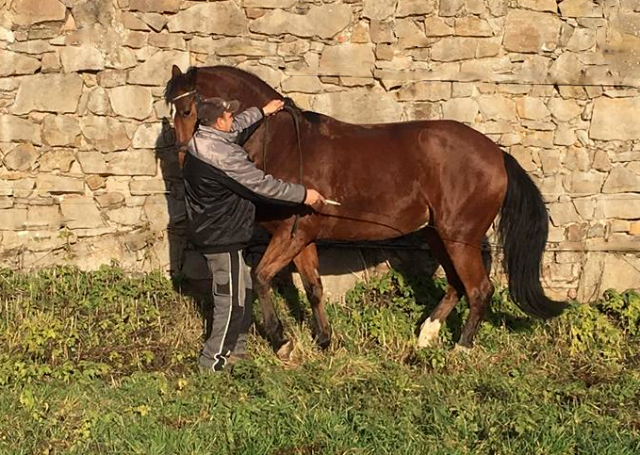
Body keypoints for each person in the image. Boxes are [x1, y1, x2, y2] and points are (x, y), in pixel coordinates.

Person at [182, 96, 326, 372]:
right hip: (219, 237)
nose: (233, 119)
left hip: (221, 233)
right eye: (229, 116)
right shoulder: (222, 157)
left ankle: (237, 352)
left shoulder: (206, 138)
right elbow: (262, 185)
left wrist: (263, 111)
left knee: (243, 292)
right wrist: (303, 194)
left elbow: (237, 128)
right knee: (230, 300)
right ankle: (212, 364)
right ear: (218, 122)